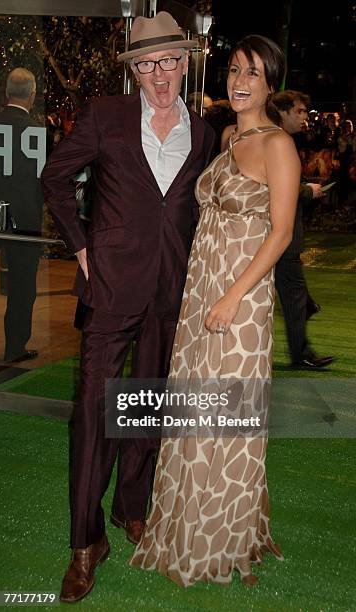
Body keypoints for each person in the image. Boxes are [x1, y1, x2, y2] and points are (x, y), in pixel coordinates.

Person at [41, 11, 214, 603]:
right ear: (134, 70)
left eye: (169, 61)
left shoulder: (207, 131)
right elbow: (56, 178)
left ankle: (129, 508)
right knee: (94, 414)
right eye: (147, 64)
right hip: (111, 290)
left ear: (184, 63)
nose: (159, 74)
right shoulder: (104, 117)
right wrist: (82, 245)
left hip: (172, 293)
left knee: (146, 405)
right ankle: (84, 544)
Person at [130, 35, 300, 587]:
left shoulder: (279, 146)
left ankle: (217, 538)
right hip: (200, 292)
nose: (240, 81)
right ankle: (181, 523)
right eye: (233, 70)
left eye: (252, 72)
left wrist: (232, 297)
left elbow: (280, 233)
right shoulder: (227, 136)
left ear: (270, 81)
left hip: (240, 302)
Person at [271, 90, 334, 369]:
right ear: (283, 112)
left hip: (281, 236)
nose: (305, 117)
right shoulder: (275, 140)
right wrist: (307, 191)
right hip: (278, 237)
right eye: (299, 111)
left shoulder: (282, 140)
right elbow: (269, 186)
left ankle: (303, 339)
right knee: (292, 293)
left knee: (293, 291)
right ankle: (301, 353)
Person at [0, 68, 45, 363]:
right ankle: (15, 347)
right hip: (25, 218)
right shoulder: (36, 131)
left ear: (6, 92)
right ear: (32, 94)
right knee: (22, 286)